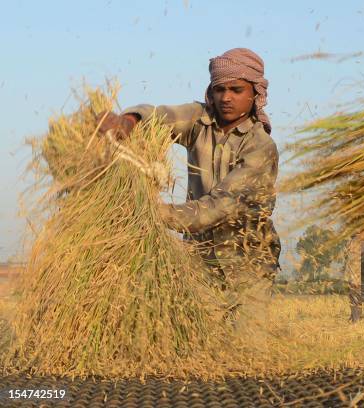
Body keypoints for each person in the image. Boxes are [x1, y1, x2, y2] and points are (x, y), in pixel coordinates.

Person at [97, 48, 281, 321]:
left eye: (236, 89)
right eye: (219, 89)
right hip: (199, 262)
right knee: (202, 347)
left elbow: (217, 208)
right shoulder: (200, 121)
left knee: (248, 351)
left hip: (247, 263)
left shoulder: (260, 147)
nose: (226, 97)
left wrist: (149, 210)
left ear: (255, 93)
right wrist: (129, 121)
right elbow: (160, 117)